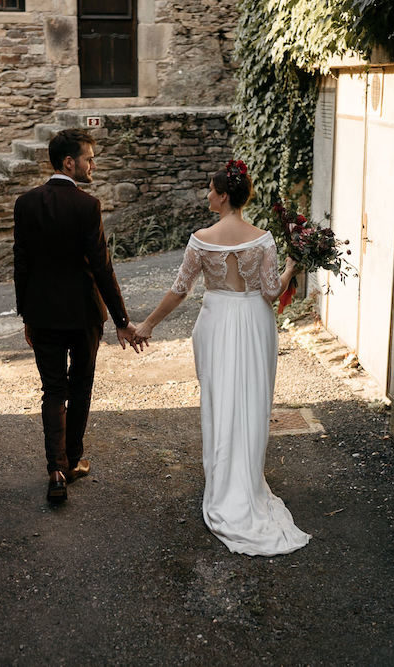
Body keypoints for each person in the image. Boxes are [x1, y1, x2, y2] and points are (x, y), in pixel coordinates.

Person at [133, 160, 311, 556]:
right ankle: (246, 481)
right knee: (252, 400)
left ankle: (224, 482)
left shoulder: (201, 239)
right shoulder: (263, 239)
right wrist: (293, 266)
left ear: (224, 195)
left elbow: (180, 290)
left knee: (218, 400)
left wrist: (148, 324)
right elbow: (269, 292)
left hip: (216, 320)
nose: (207, 195)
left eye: (211, 190)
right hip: (253, 322)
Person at [13, 128, 143, 504]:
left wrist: (27, 315)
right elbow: (102, 267)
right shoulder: (87, 206)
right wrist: (121, 320)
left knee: (53, 390)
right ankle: (71, 460)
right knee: (80, 386)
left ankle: (55, 469)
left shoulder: (25, 203)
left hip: (42, 315)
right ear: (69, 163)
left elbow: (21, 265)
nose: (93, 164)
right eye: (88, 158)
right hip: (84, 315)